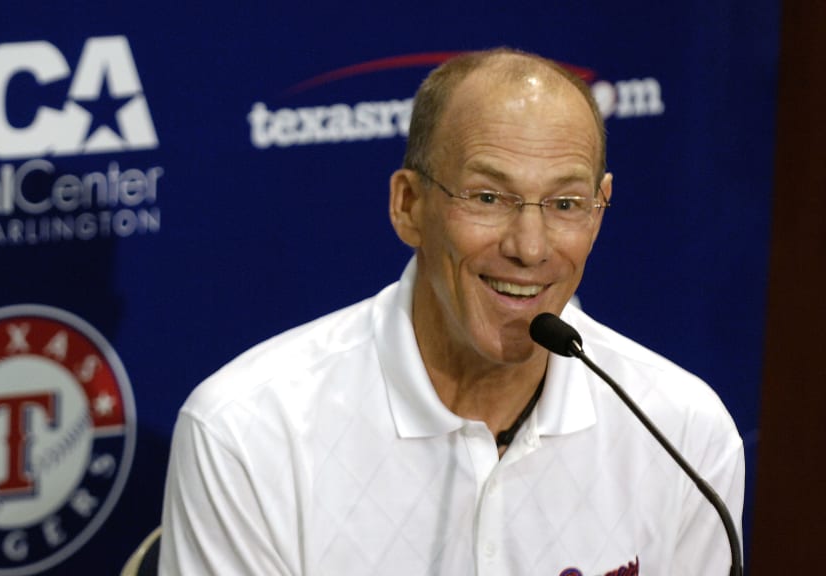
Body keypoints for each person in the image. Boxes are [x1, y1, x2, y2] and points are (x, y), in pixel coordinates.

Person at [158, 48, 743, 575]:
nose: (530, 247)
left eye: (566, 204)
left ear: (600, 209)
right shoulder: (250, 434)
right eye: (488, 198)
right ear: (409, 205)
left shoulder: (682, 433)